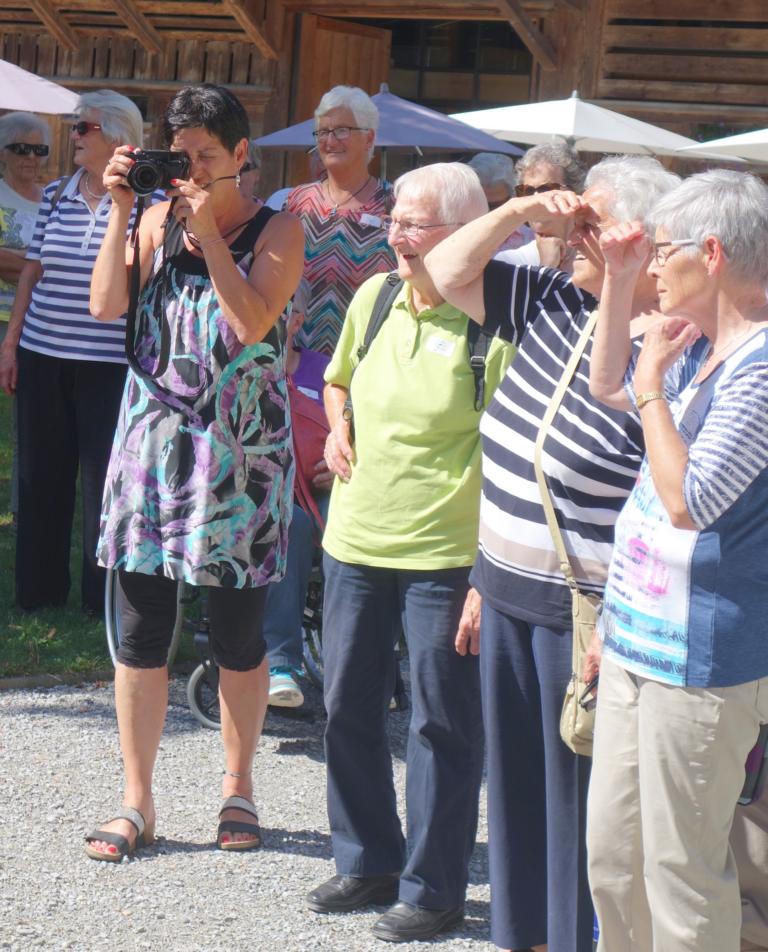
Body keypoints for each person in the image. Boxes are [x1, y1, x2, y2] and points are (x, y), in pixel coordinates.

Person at [424, 155, 679, 952]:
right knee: (517, 791)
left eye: (589, 224)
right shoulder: (552, 297)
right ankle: (523, 938)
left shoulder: (670, 344)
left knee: (578, 801)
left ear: (640, 238)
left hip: (588, 610)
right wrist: (515, 214)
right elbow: (442, 270)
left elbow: (669, 504)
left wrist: (621, 619)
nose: (570, 233)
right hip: (505, 588)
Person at [84, 83, 304, 862]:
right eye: (180, 157)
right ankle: (136, 799)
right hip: (151, 454)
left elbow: (250, 322)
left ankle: (237, 787)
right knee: (141, 631)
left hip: (241, 462)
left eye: (207, 157)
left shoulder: (280, 229)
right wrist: (121, 213)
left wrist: (210, 239)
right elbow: (104, 307)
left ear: (242, 155)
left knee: (238, 635)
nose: (191, 172)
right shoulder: (151, 221)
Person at [306, 163, 513, 943]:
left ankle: (433, 889)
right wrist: (339, 424)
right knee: (345, 707)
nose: (396, 235)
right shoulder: (375, 297)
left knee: (440, 726)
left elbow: (517, 453)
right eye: (394, 219)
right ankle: (367, 860)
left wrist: (487, 575)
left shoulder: (492, 324)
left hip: (446, 554)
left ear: (463, 234)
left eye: (414, 224)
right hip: (356, 539)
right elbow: (336, 381)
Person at [586, 169, 768, 952]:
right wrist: (618, 279)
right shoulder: (699, 345)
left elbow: (691, 500)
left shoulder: (759, 369)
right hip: (638, 639)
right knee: (614, 862)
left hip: (700, 663)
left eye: (662, 252)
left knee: (682, 878)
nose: (654, 267)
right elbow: (604, 383)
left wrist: (653, 385)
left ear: (713, 253)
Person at [0, 91, 147, 614]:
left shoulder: (147, 200)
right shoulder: (57, 192)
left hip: (110, 364)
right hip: (42, 353)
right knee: (41, 474)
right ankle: (39, 592)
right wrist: (12, 343)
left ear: (117, 136)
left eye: (83, 127)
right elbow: (32, 270)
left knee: (104, 480)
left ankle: (97, 597)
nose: (73, 134)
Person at [285, 84, 396, 357]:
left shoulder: (396, 204)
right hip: (297, 359)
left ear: (369, 138)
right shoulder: (298, 201)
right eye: (323, 132)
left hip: (365, 358)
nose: (330, 141)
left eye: (342, 130)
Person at [263, 306, 332, 707]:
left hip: (322, 482)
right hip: (262, 486)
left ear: (298, 319)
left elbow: (356, 427)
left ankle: (361, 662)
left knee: (350, 522)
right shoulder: (241, 367)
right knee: (294, 524)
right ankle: (281, 664)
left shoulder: (324, 371)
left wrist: (341, 459)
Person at [0, 111, 49, 517]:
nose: (31, 157)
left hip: (35, 326)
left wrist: (22, 260)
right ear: (3, 152)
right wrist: (36, 263)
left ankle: (21, 508)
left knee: (28, 424)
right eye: (21, 149)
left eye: (39, 149)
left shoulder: (52, 199)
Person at [498, 140, 586, 271]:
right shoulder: (509, 263)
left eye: (546, 189)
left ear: (574, 192)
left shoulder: (596, 258)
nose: (536, 200)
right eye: (527, 191)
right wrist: (547, 266)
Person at [467, 152, 530, 252]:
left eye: (497, 206)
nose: (489, 213)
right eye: (482, 205)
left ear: (513, 199)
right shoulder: (454, 238)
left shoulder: (530, 240)